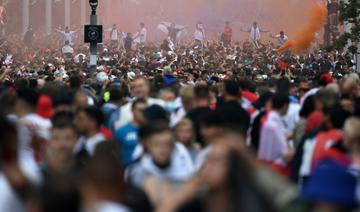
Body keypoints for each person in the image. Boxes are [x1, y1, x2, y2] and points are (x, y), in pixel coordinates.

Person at [126, 122, 194, 207]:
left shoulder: (183, 170)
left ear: (174, 147)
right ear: (148, 147)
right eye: (156, 144)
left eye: (167, 144)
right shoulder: (136, 171)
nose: (163, 149)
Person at [258, 93, 294, 175]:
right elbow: (286, 155)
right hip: (276, 169)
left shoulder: (271, 120)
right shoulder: (273, 124)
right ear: (285, 106)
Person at [115, 98, 147, 165]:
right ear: (132, 111)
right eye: (140, 110)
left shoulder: (152, 130)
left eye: (146, 110)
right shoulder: (122, 131)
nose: (143, 113)